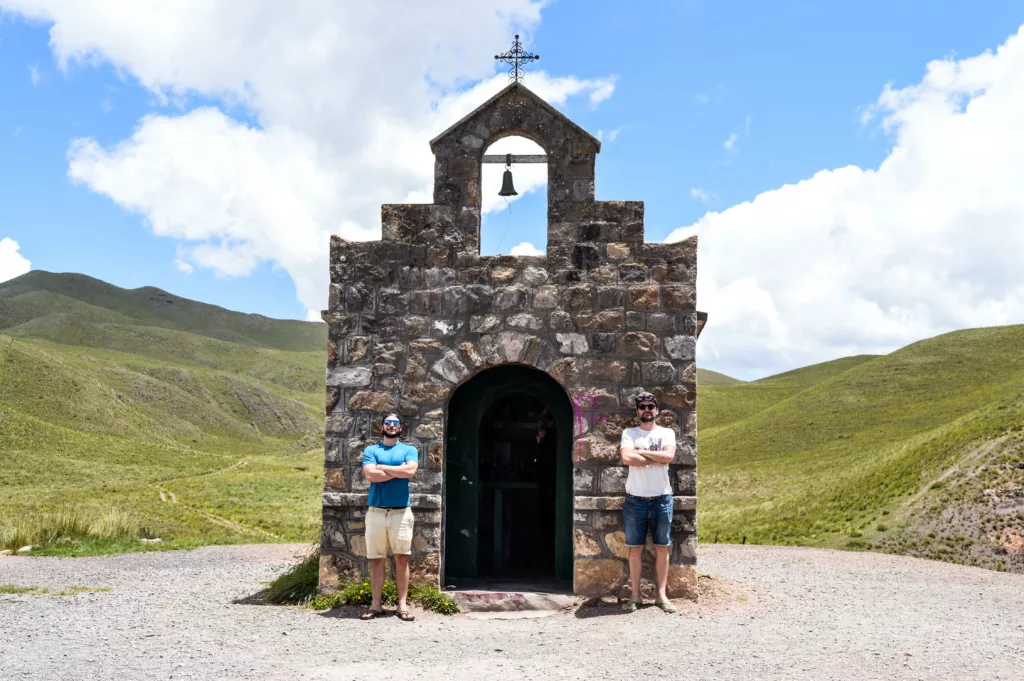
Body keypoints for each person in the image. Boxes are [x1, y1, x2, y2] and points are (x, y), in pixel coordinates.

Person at [618, 391, 677, 613]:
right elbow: (626, 458)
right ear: (637, 411)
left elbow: (669, 457)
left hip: (662, 498)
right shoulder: (629, 433)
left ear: (656, 410)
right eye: (642, 406)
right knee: (635, 549)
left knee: (663, 547)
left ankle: (661, 595)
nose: (646, 410)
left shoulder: (667, 433)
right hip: (636, 500)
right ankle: (635, 596)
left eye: (650, 406)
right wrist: (656, 456)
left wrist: (640, 452)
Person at [360, 412, 419, 621]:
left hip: (401, 511)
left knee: (402, 558)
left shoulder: (409, 449)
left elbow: (411, 471)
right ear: (382, 426)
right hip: (376, 511)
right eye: (388, 422)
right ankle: (376, 605)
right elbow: (370, 475)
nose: (392, 426)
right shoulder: (371, 450)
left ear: (400, 427)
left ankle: (402, 606)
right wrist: (398, 470)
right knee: (377, 560)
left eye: (395, 423)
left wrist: (383, 467)